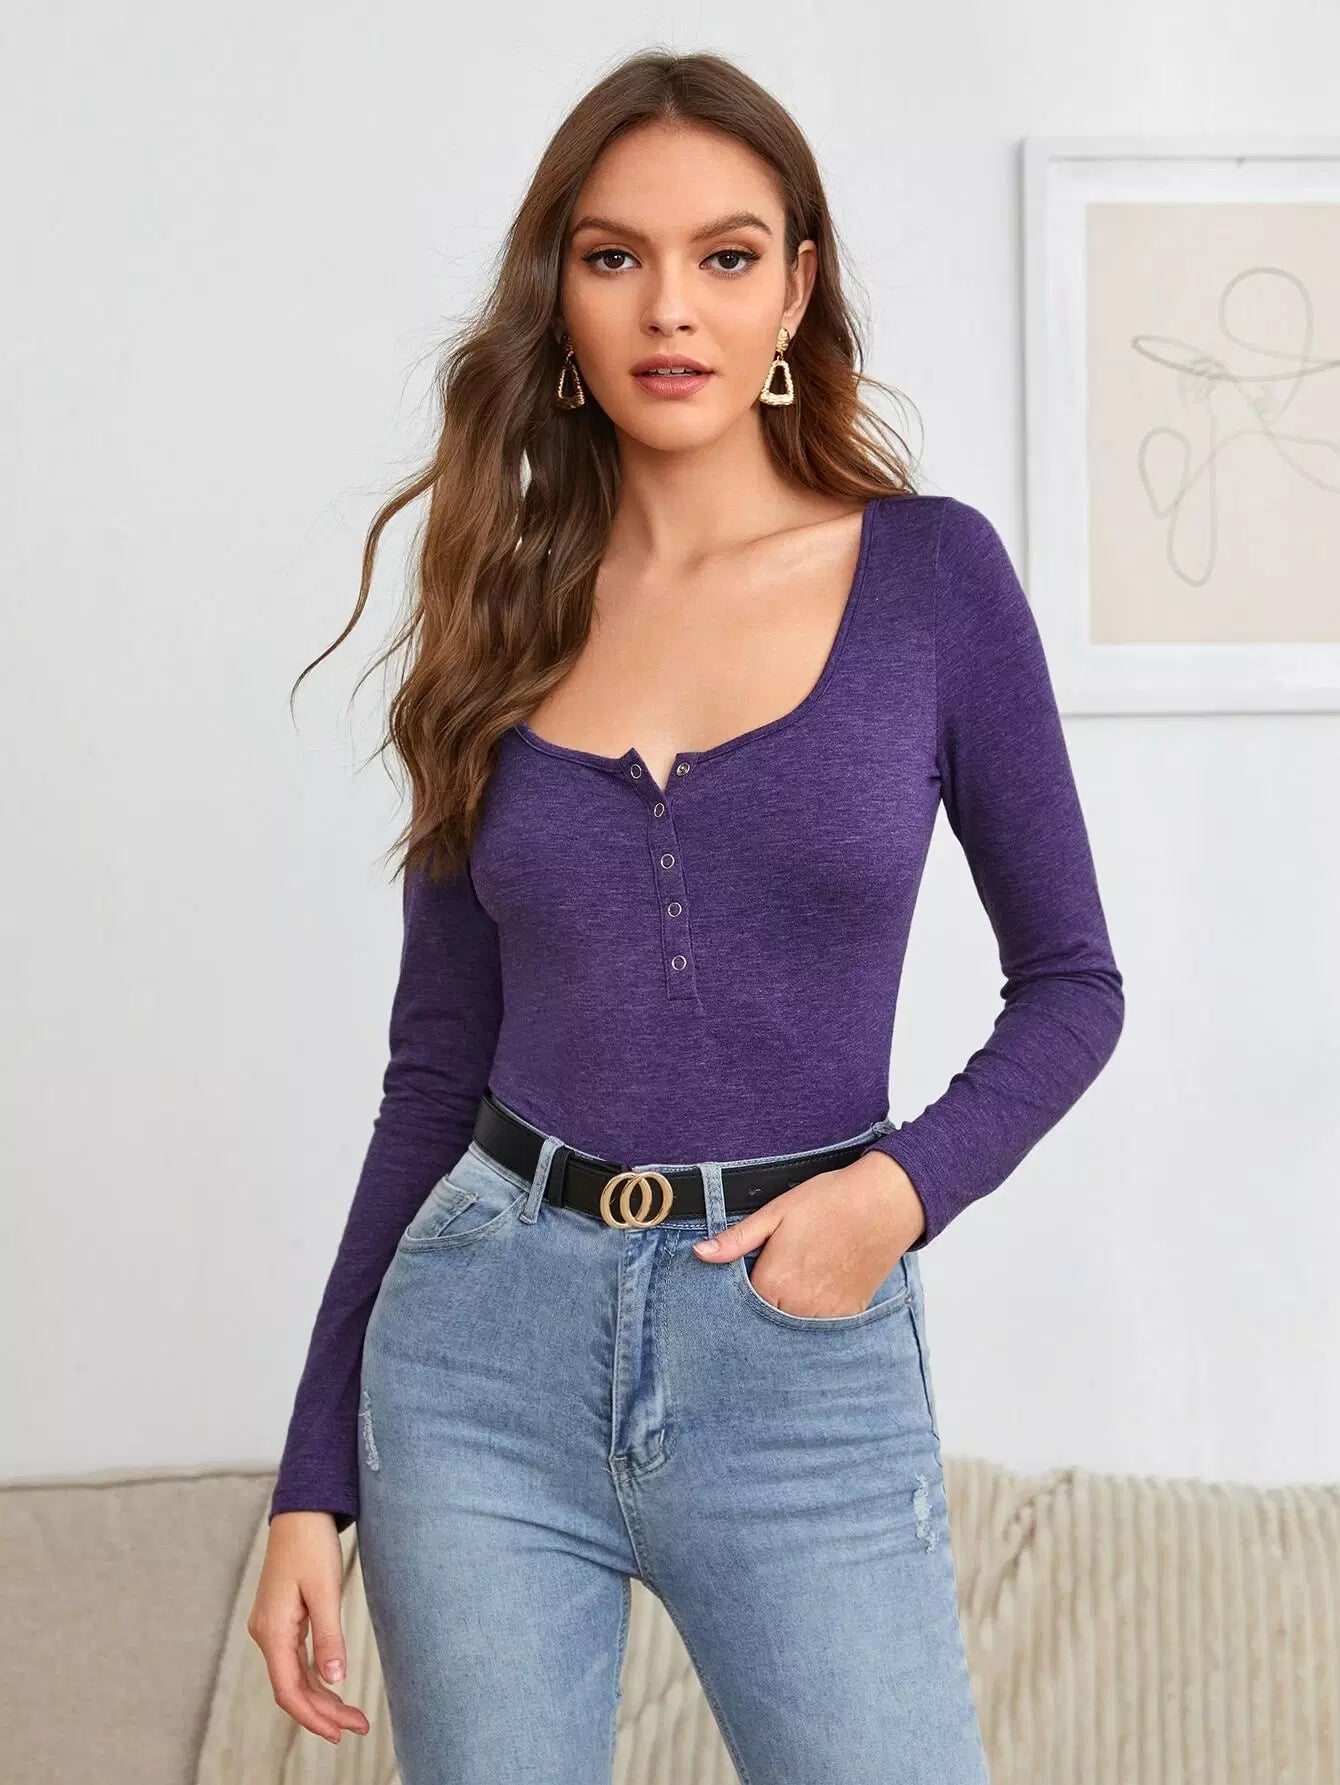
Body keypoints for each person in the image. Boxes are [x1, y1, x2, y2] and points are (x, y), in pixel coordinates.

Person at [247, 47, 1124, 1785]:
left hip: (798, 1355)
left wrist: (890, 1198)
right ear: (558, 292)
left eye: (726, 255)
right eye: (614, 255)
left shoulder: (931, 578)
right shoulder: (495, 617)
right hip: (478, 1361)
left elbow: (1073, 984)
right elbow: (431, 1076)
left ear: (795, 288)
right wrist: (311, 1473)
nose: (671, 306)